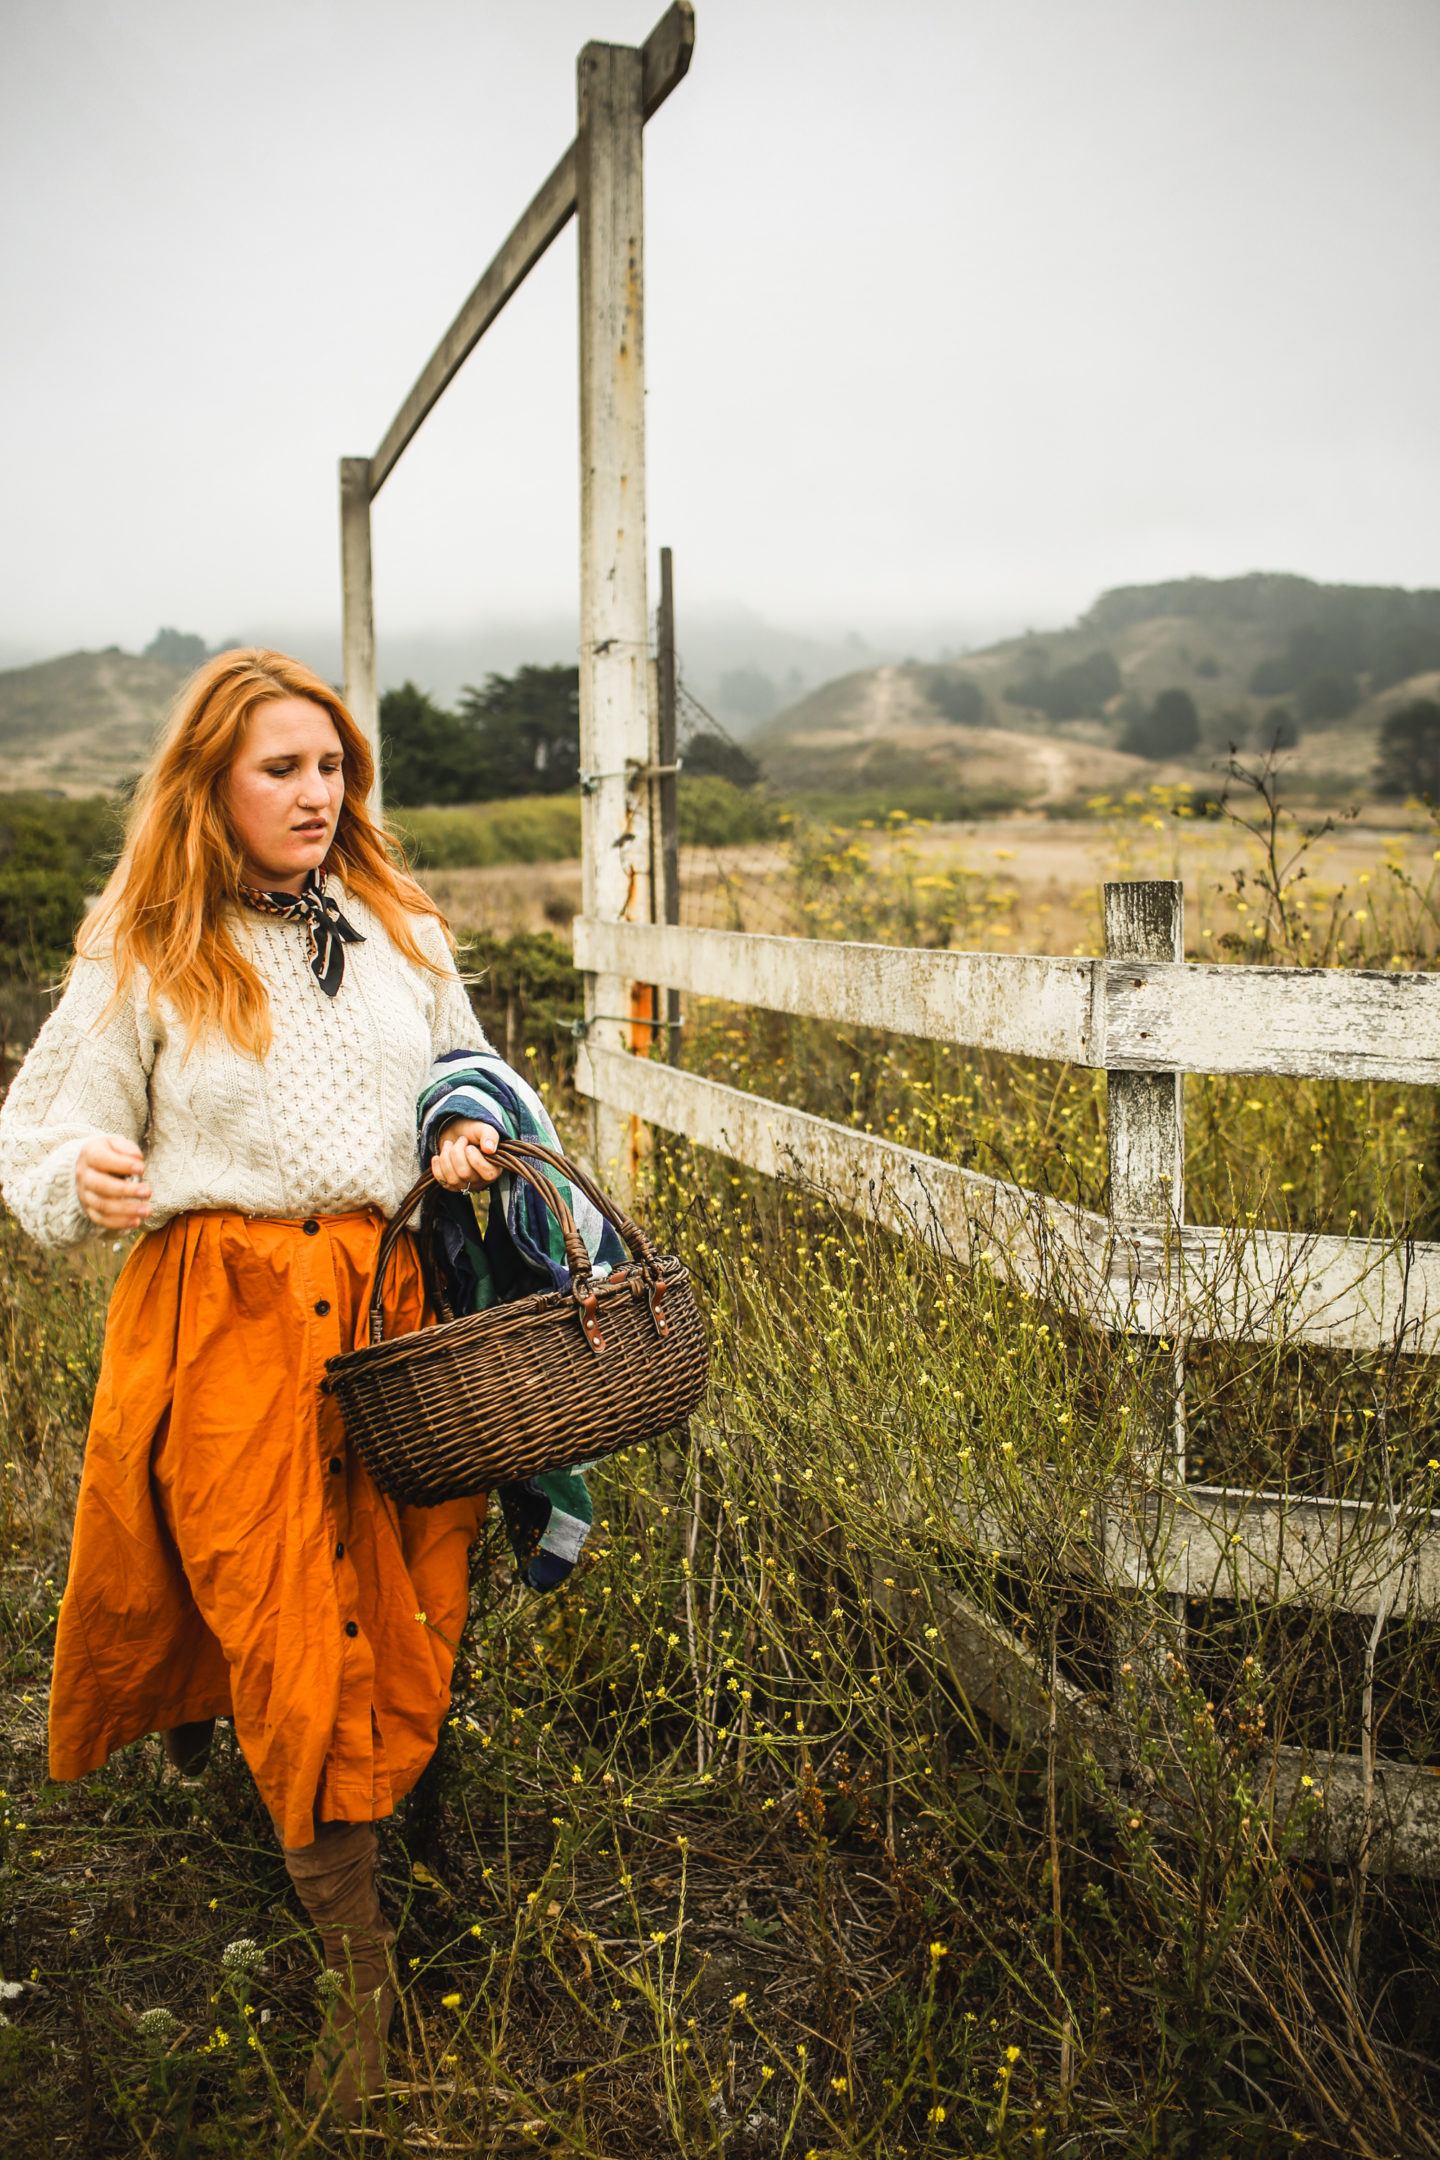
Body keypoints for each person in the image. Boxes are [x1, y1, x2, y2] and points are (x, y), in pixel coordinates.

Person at [0, 648, 507, 2121]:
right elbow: (36, 1130)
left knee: (404, 1598)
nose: (314, 792)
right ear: (211, 784)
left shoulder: (399, 922)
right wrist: (75, 1176)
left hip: (392, 1321)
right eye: (279, 768)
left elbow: (465, 1068)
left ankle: (336, 1785)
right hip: (219, 1322)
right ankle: (362, 1991)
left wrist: (464, 1133)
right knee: (290, 1621)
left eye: (331, 766)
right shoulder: (148, 942)